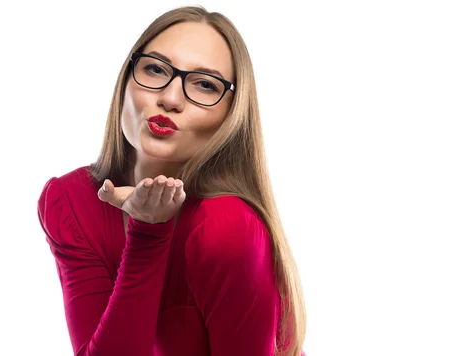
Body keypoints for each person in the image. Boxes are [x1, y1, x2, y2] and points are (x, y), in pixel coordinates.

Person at [37, 5, 306, 356]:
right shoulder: (70, 202)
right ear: (126, 79)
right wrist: (148, 233)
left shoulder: (227, 228)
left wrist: (149, 230)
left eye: (205, 85)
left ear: (231, 113)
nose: (170, 98)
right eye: (155, 68)